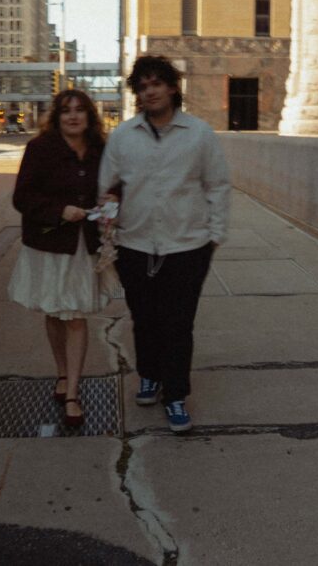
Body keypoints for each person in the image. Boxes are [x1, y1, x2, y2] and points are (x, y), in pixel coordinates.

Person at [98, 55, 230, 432]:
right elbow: (106, 186)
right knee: (144, 320)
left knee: (178, 324)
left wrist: (214, 236)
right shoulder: (123, 136)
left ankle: (175, 394)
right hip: (135, 245)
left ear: (173, 88)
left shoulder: (199, 134)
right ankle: (149, 375)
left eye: (156, 83)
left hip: (187, 247)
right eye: (142, 86)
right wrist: (108, 224)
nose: (149, 91)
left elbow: (217, 186)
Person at [8, 89, 111, 428]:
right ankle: (62, 373)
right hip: (50, 245)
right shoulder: (40, 149)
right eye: (66, 110)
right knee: (55, 312)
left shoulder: (101, 149)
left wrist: (112, 201)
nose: (73, 116)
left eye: (80, 110)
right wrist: (58, 211)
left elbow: (116, 186)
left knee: (76, 316)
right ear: (57, 116)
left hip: (84, 245)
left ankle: (73, 394)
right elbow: (22, 197)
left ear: (89, 116)